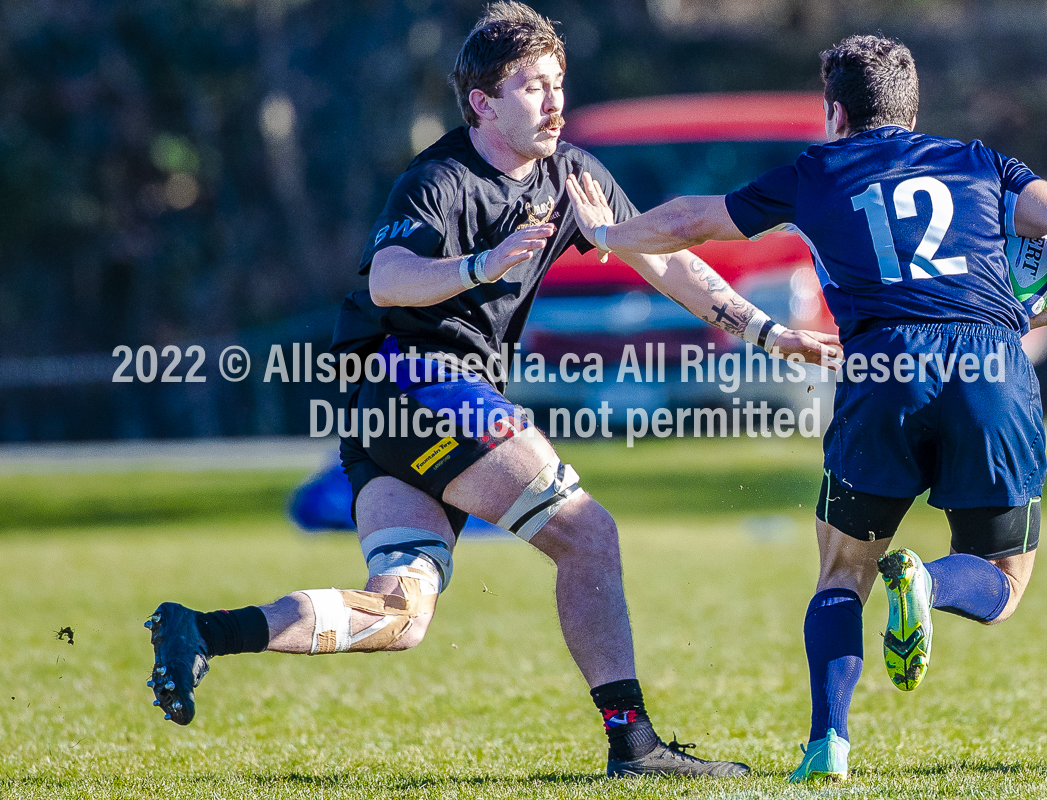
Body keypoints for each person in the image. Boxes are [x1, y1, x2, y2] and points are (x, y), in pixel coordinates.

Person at [145, 2, 841, 778]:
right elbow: (389, 277)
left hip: (389, 420)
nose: (554, 101)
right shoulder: (438, 180)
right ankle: (635, 746)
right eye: (533, 86)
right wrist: (485, 263)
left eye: (558, 82)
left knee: (399, 614)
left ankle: (202, 631)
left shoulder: (569, 172)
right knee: (587, 533)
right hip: (420, 383)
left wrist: (761, 331)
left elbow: (663, 259)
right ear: (482, 103)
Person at [564, 33, 1047, 783]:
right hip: (991, 362)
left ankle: (829, 744)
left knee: (843, 573)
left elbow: (691, 222)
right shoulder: (980, 162)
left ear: (836, 112)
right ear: (912, 109)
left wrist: (609, 234)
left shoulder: (818, 171)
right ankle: (932, 582)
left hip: (882, 366)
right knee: (1003, 580)